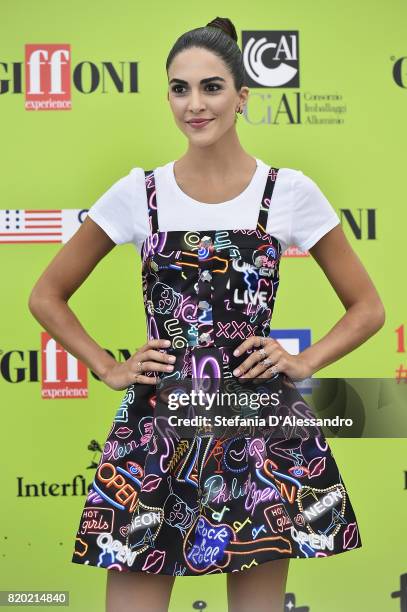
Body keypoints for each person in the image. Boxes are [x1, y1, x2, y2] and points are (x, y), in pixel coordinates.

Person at [28, 16, 385, 612]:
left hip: (258, 428)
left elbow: (368, 308)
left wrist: (302, 360)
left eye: (212, 87)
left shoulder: (287, 191)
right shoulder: (139, 193)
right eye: (179, 88)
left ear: (243, 97)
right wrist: (109, 367)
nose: (195, 104)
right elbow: (46, 294)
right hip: (156, 428)